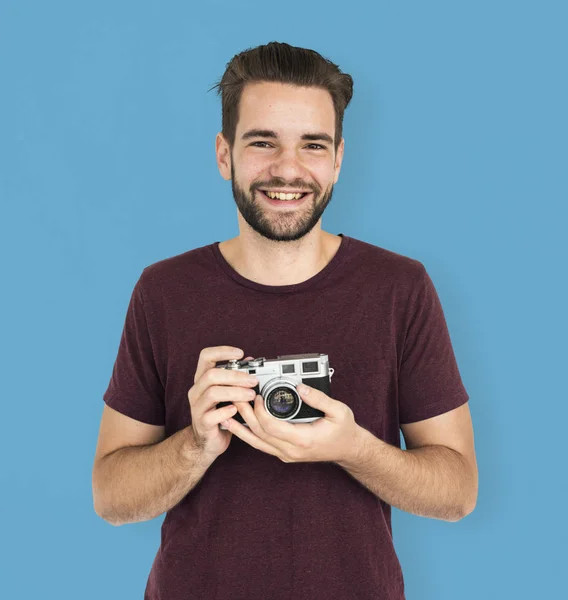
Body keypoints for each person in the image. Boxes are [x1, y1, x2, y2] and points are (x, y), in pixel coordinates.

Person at [92, 41, 478, 600]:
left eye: (313, 145)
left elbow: (458, 491)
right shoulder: (165, 291)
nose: (288, 169)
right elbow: (110, 497)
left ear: (339, 158)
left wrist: (353, 448)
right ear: (224, 154)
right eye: (262, 142)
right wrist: (195, 445)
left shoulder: (399, 288)